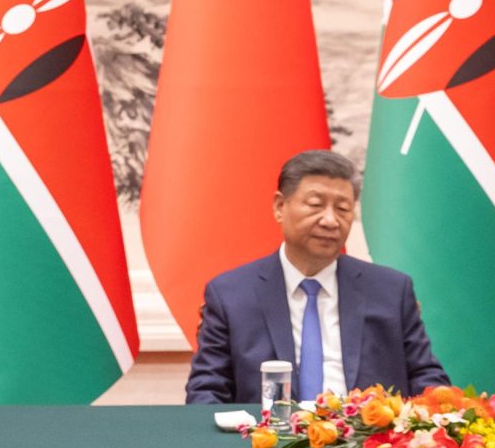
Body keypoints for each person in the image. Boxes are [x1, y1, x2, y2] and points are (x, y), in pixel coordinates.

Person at [184, 151, 448, 406]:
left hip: (369, 444)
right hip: (263, 446)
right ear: (280, 207)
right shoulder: (231, 294)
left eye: (343, 208)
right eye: (315, 205)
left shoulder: (391, 290)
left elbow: (427, 379)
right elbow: (206, 390)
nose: (331, 220)